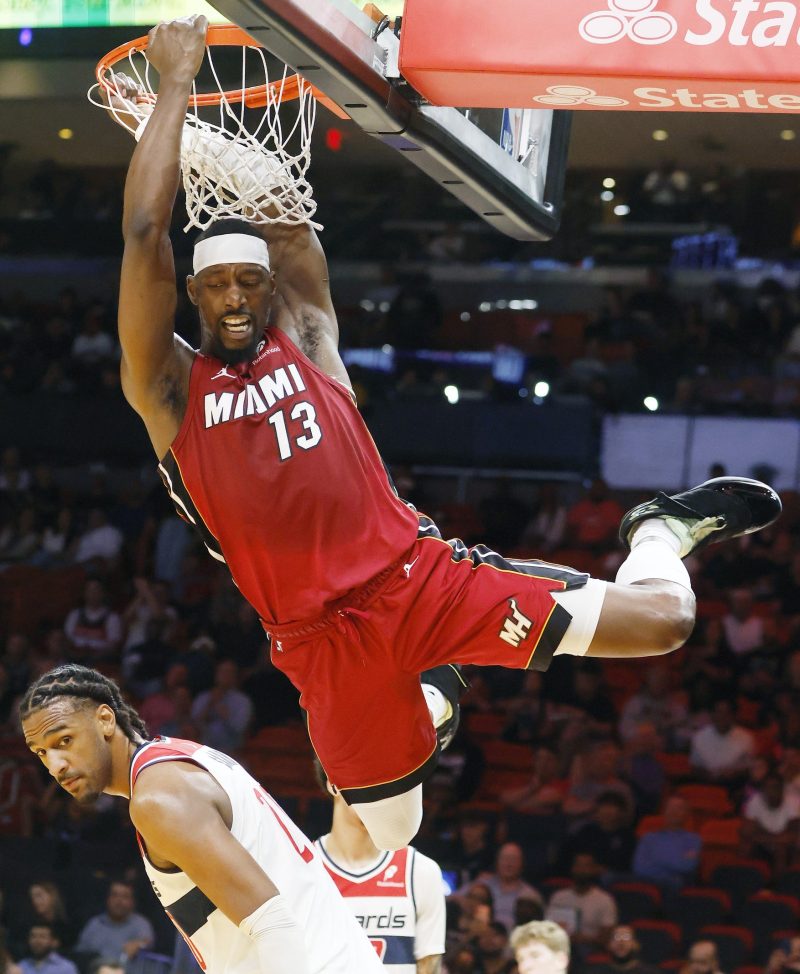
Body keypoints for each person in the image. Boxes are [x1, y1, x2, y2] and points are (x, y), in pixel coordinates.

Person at [102, 14, 780, 851]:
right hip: (319, 641)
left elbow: (281, 205)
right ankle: (433, 698)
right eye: (217, 284)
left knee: (666, 623)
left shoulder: (308, 337)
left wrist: (195, 118)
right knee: (392, 830)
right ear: (193, 295)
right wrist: (173, 83)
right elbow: (145, 236)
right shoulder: (169, 389)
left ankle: (660, 531)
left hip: (418, 579)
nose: (236, 297)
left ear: (273, 289)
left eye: (251, 280)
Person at [20, 664, 384, 974]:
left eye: (64, 740)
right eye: (41, 753)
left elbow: (275, 927)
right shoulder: (180, 759)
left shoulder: (158, 798)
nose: (55, 766)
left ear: (104, 719)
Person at [313, 763, 446, 972]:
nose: (380, 791)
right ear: (334, 783)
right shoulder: (303, 869)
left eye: (385, 781)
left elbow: (430, 966)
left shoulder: (420, 871)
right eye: (368, 778)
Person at [74, 881, 154, 965]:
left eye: (125, 897)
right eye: (114, 895)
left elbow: (148, 942)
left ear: (132, 902)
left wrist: (140, 945)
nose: (119, 901)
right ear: (107, 899)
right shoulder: (95, 923)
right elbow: (79, 953)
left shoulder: (140, 923)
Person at [631, 794, 701, 890]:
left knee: (675, 882)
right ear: (663, 811)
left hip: (673, 884)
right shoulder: (648, 838)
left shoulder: (693, 840)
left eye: (679, 808)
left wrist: (655, 859)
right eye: (670, 807)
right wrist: (675, 861)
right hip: (645, 880)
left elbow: (687, 866)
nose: (673, 811)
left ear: (686, 814)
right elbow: (639, 867)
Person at [589, 925, 661, 974]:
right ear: (609, 945)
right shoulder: (596, 972)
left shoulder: (650, 972)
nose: (621, 942)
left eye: (626, 937)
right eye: (616, 937)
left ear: (635, 945)